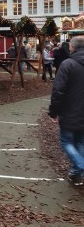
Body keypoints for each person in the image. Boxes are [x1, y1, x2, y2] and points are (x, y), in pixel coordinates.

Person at [49, 36, 84, 185]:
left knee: (66, 142)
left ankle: (80, 166)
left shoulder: (68, 64)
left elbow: (58, 90)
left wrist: (53, 111)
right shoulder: (69, 64)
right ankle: (76, 174)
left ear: (72, 47)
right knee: (80, 143)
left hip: (70, 111)